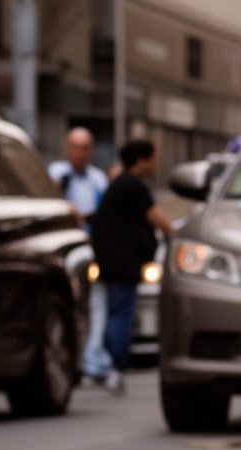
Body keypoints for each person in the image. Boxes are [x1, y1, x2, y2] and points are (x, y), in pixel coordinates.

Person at [91, 139, 174, 395]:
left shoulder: (120, 184)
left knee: (113, 311)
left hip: (112, 260)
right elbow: (158, 218)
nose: (154, 164)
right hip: (123, 263)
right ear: (141, 160)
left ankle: (107, 365)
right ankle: (114, 367)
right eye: (152, 158)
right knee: (120, 314)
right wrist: (179, 234)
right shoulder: (132, 186)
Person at [48, 128, 115, 387]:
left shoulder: (98, 180)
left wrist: (84, 217)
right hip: (62, 251)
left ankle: (92, 359)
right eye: (75, 147)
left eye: (84, 148)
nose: (79, 154)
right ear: (67, 148)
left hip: (89, 249)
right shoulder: (56, 173)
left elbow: (103, 215)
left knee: (96, 304)